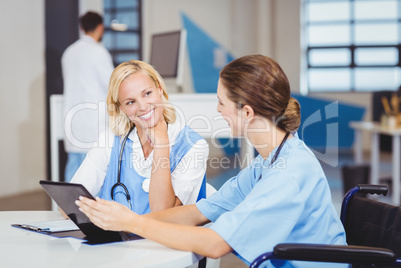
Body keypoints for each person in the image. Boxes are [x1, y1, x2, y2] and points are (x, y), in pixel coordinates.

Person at [76, 55, 347, 267]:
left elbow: (216, 244)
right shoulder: (266, 164)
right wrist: (127, 226)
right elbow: (197, 213)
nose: (217, 110)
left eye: (221, 102)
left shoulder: (288, 174)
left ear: (247, 112)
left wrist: (132, 223)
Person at [71, 60, 208, 214]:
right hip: (116, 238)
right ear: (122, 108)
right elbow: (70, 203)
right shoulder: (110, 140)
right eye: (130, 102)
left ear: (160, 88)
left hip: (164, 238)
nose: (143, 106)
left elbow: (161, 213)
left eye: (147, 93)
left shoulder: (193, 146)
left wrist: (161, 142)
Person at [62, 11, 115, 182]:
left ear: (82, 27)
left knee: (73, 171)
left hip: (73, 122)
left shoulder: (69, 52)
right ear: (100, 28)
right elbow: (113, 85)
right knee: (93, 174)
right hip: (92, 123)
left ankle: (67, 208)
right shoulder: (98, 52)